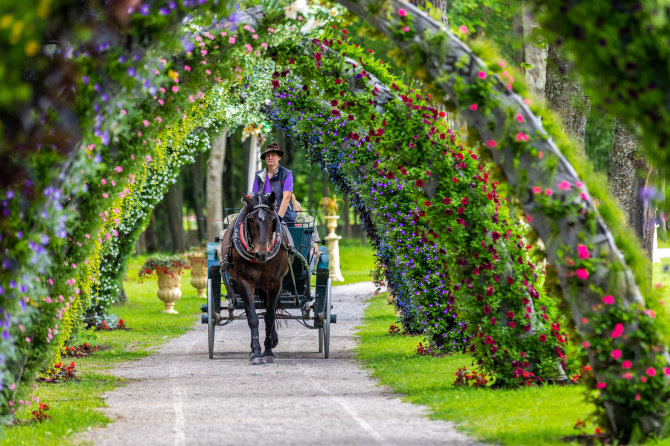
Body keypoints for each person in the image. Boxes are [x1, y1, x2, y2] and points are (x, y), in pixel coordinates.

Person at [251, 142, 296, 226]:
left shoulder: (287, 174)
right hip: (263, 218)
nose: (270, 158)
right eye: (267, 155)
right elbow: (255, 197)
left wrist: (278, 218)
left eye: (273, 155)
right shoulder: (259, 175)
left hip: (284, 218)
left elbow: (286, 197)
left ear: (279, 157)